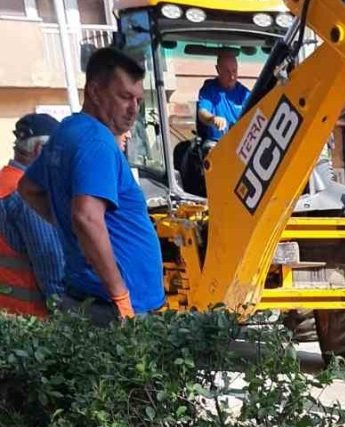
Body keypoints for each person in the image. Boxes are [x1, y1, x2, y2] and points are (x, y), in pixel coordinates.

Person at [18, 47, 164, 323]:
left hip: (89, 295)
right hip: (116, 307)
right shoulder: (97, 142)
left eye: (137, 99)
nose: (133, 108)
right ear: (95, 91)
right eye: (124, 97)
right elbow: (86, 216)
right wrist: (121, 297)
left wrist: (74, 232)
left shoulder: (68, 130)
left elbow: (29, 188)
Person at [0, 113, 64, 317]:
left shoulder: (4, 184)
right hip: (31, 321)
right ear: (40, 150)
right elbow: (51, 265)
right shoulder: (26, 196)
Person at [196, 49, 250, 144]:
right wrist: (213, 119)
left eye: (234, 71)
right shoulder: (209, 89)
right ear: (218, 70)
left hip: (239, 143)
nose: (232, 77)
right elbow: (202, 113)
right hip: (215, 143)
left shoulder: (244, 93)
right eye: (227, 72)